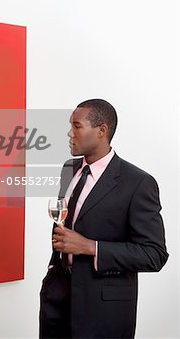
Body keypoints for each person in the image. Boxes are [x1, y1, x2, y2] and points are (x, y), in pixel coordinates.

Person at [39, 99, 169, 339]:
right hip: (58, 299)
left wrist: (90, 247)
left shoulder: (138, 183)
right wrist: (54, 270)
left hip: (103, 310)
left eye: (77, 126)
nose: (70, 133)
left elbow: (155, 254)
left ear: (101, 131)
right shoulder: (69, 168)